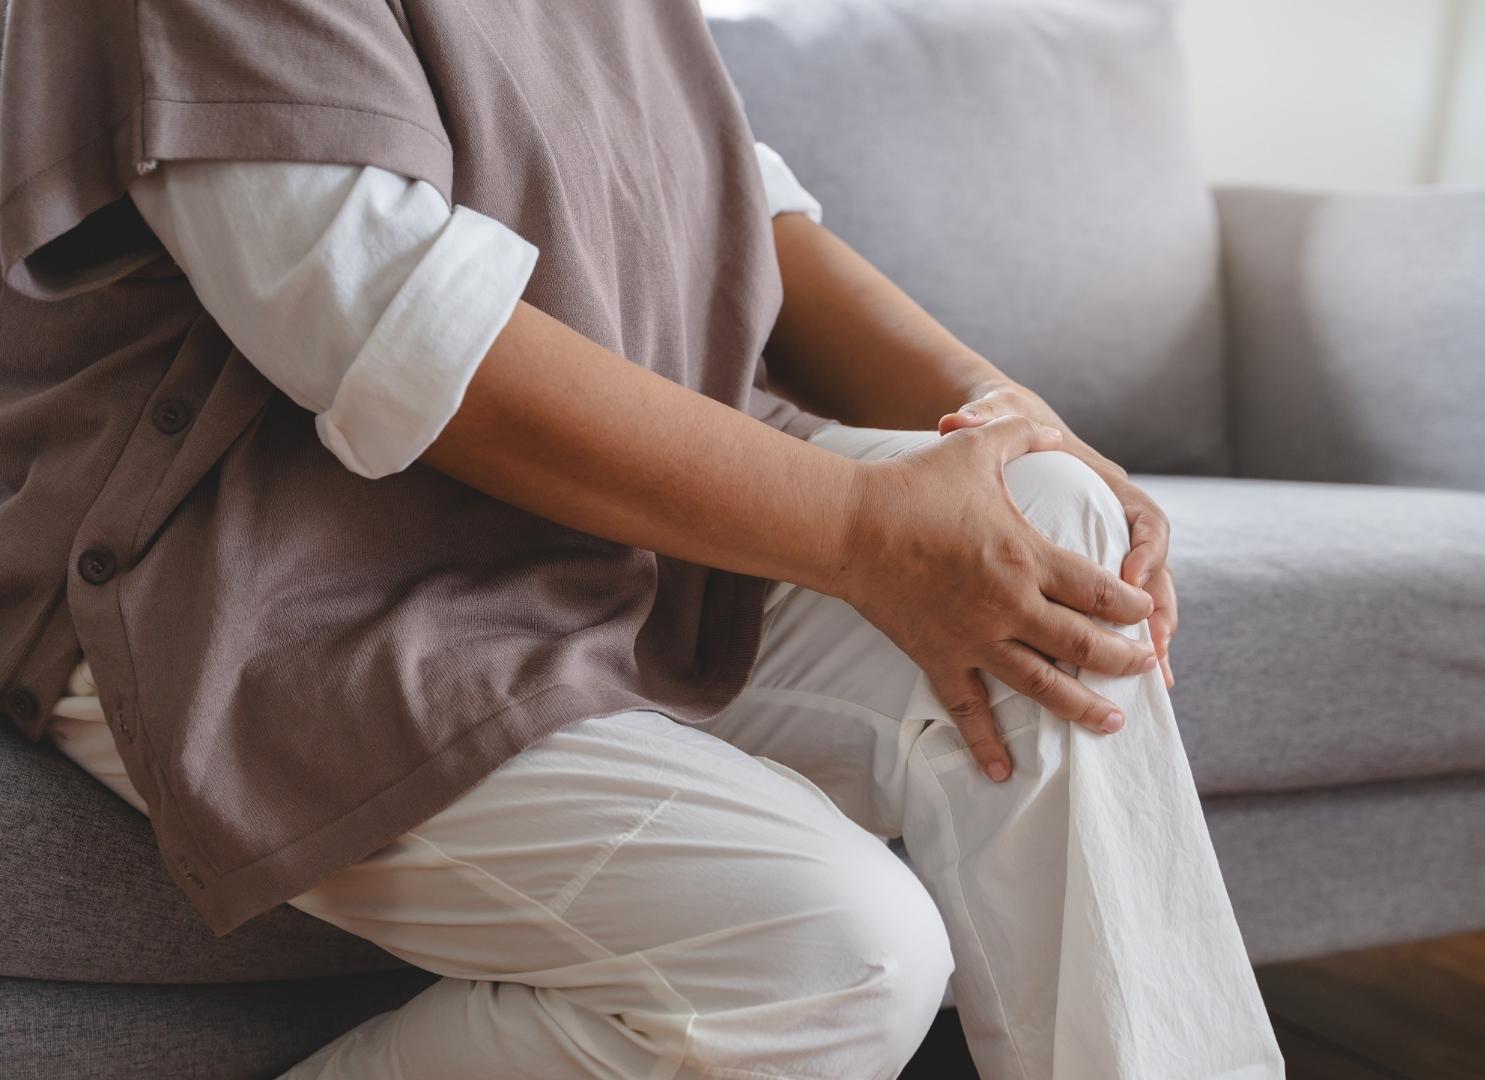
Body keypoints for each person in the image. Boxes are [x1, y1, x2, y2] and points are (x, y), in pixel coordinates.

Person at [1, 3, 1283, 1077]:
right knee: (831, 955)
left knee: (1052, 514)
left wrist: (1012, 422)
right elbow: (391, 331)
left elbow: (753, 207)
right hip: (268, 570)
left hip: (580, 539)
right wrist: (859, 528)